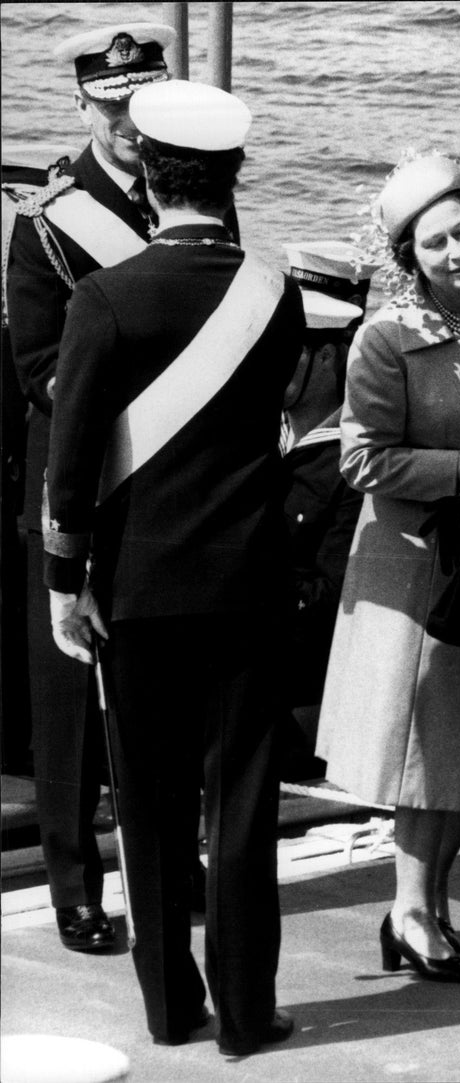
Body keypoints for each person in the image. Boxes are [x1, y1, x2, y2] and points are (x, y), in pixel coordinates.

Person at [42, 79, 305, 1055]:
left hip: (138, 588)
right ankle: (246, 1013)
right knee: (241, 799)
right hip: (248, 579)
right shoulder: (275, 293)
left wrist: (67, 585)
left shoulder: (105, 298)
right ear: (233, 174)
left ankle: (170, 1007)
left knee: (147, 806)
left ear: (146, 175)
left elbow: (71, 467)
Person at [316, 154, 460, 983]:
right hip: (410, 570)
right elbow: (362, 462)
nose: (456, 254)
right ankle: (410, 906)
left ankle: (429, 902)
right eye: (433, 245)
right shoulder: (386, 338)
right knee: (420, 755)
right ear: (409, 258)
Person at [5, 20, 177, 954]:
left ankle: (167, 866)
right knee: (68, 705)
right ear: (83, 106)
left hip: (165, 490)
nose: (126, 125)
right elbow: (41, 369)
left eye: (140, 105)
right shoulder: (46, 222)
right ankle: (76, 883)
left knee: (161, 683)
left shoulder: (194, 202)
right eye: (110, 108)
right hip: (72, 483)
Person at [280, 242, 377, 778]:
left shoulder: (353, 460)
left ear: (326, 356)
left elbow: (333, 597)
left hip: (298, 689)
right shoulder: (254, 438)